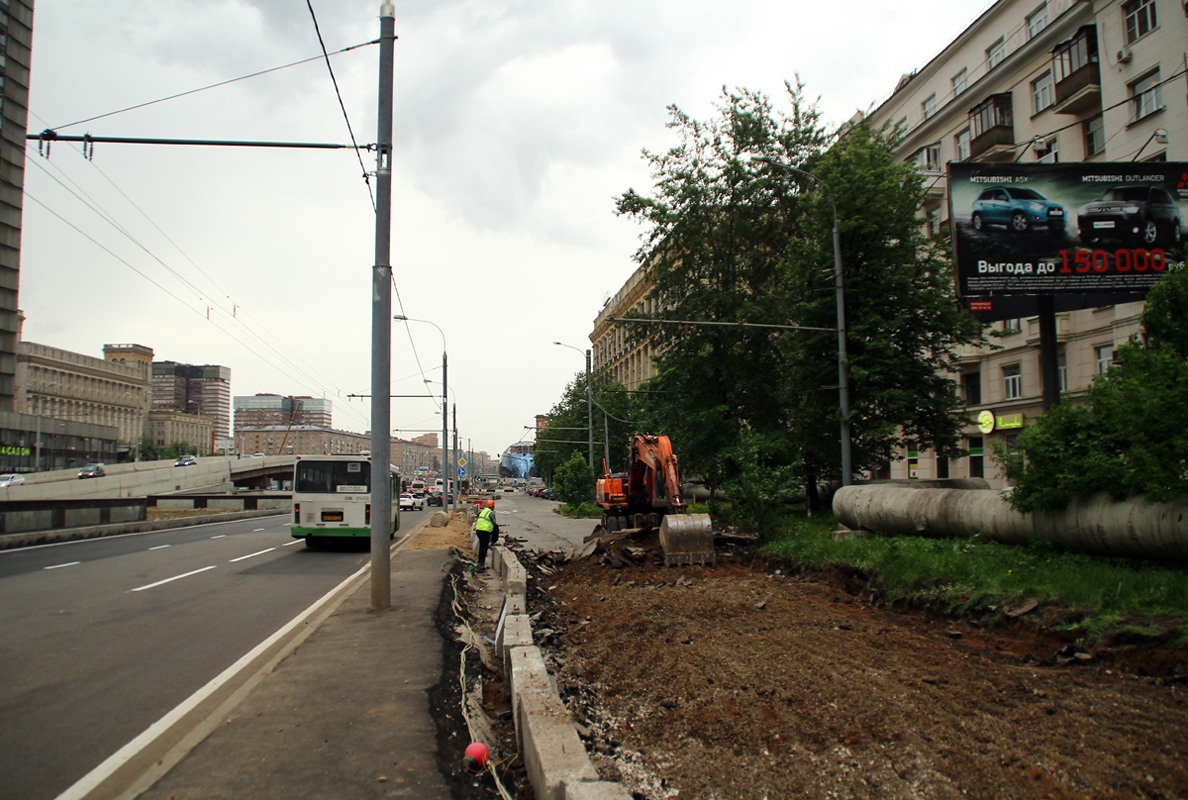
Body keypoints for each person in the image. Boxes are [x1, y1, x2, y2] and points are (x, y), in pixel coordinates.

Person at [474, 499, 499, 572]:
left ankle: (480, 562)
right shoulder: (491, 513)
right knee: (484, 547)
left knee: (482, 546)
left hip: (478, 530)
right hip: (485, 531)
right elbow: (494, 523)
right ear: (492, 507)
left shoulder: (483, 511)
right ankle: (481, 563)